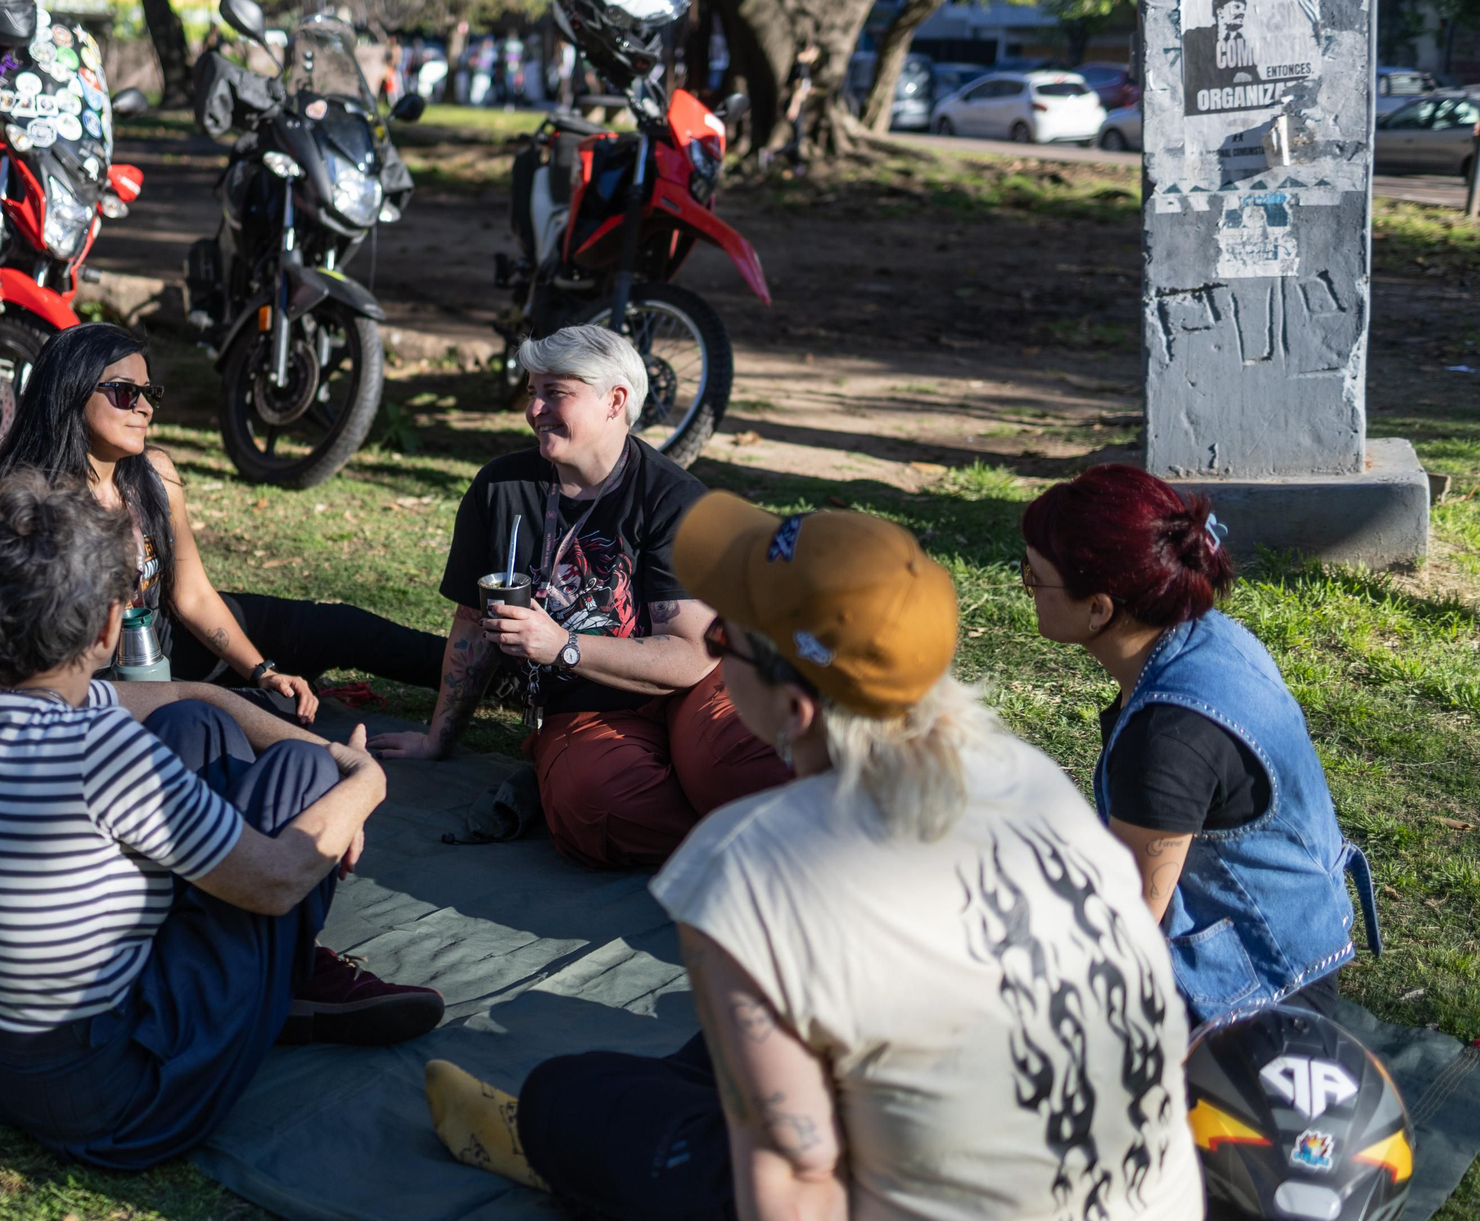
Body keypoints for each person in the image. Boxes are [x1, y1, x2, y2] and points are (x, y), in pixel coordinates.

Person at [425, 493, 1203, 1221]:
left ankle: (553, 1138)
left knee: (572, 1094)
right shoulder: (1029, 777)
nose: (711, 653)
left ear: (793, 707)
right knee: (727, 1047)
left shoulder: (755, 864)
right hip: (1142, 1191)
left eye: (722, 637)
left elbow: (796, 1188)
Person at [0, 472, 442, 1169]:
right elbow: (280, 878)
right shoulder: (101, 753)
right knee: (304, 779)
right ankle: (283, 985)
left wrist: (305, 741)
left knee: (194, 721)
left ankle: (272, 981)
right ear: (110, 625)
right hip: (119, 1102)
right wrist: (360, 778)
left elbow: (187, 696)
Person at [368, 326, 790, 869]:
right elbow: (473, 624)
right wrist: (437, 740)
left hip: (694, 686)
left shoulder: (674, 500)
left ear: (615, 401)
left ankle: (809, 841)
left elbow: (688, 655)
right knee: (598, 807)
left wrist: (563, 645)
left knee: (742, 763)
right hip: (584, 707)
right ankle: (757, 848)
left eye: (555, 392)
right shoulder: (501, 489)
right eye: (532, 392)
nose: (536, 409)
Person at [1021, 463, 1379, 1023]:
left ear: (1099, 608)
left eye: (1032, 577)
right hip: (1301, 945)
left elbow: (1126, 933)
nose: (1027, 589)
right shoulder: (1208, 632)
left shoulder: (1166, 741)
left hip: (1254, 1003)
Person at [0, 324, 448, 716]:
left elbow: (190, 594)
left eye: (149, 394)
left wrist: (263, 670)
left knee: (340, 629)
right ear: (70, 390)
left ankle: (491, 672)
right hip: (102, 673)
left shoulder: (154, 474)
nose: (145, 408)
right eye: (126, 393)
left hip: (169, 632)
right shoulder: (37, 506)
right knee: (263, 716)